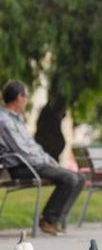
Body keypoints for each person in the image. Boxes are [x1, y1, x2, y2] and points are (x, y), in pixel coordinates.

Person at [0, 80, 85, 236]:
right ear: (19, 97)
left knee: (79, 177)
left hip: (33, 163)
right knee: (70, 178)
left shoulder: (16, 119)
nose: (26, 100)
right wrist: (46, 163)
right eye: (26, 96)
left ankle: (54, 220)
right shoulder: (4, 120)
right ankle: (48, 220)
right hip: (21, 167)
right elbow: (22, 150)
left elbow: (33, 146)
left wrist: (49, 160)